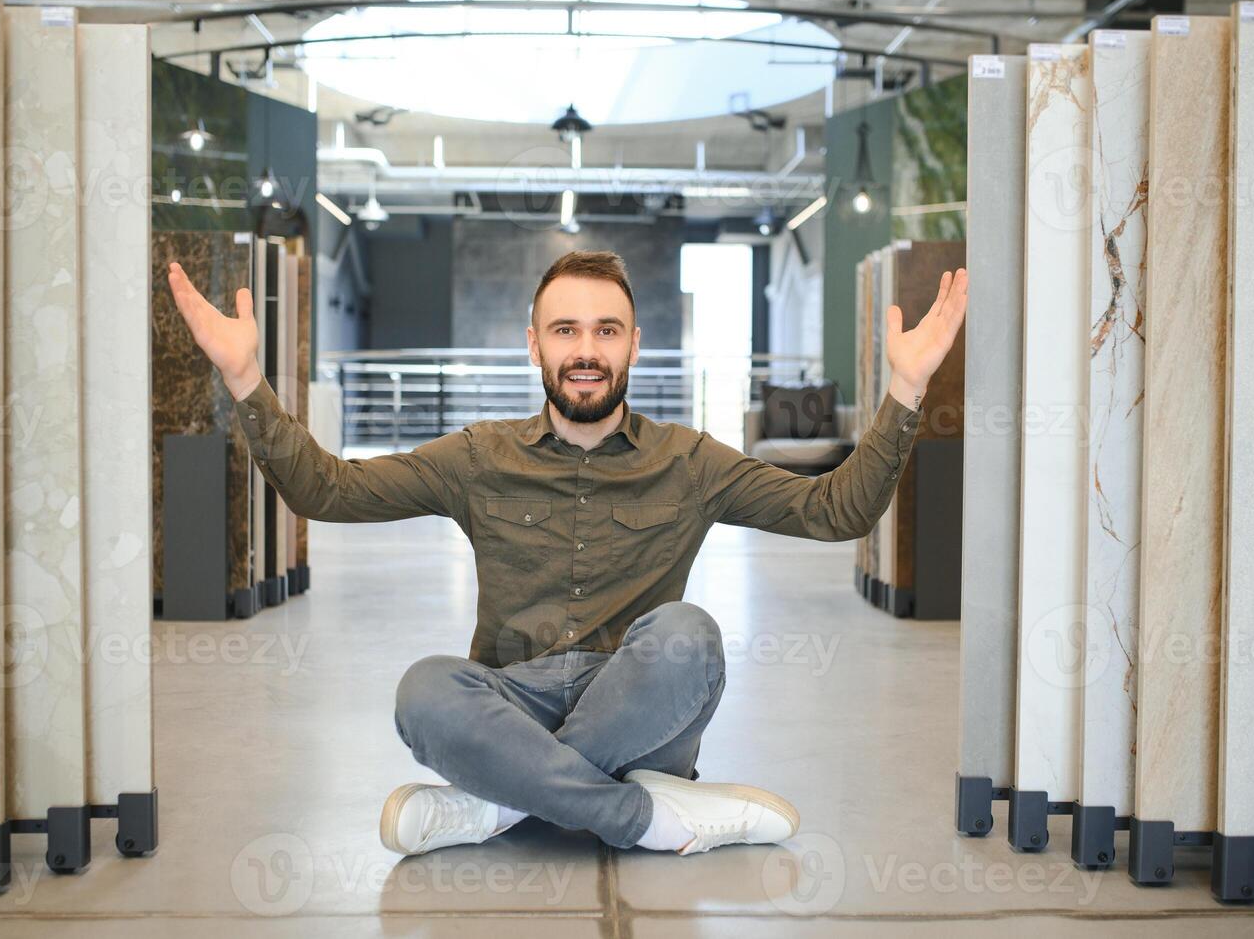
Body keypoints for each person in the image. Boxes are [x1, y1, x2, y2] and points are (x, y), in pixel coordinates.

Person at [166, 248, 967, 858]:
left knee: (687, 634)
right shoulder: (479, 456)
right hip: (514, 698)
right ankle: (641, 816)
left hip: (643, 711)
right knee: (424, 690)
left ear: (633, 345)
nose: (586, 349)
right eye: (566, 330)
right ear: (534, 344)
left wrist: (903, 394)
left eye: (605, 331)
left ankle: (494, 803)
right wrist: (246, 380)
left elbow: (836, 511)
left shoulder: (690, 461)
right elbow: (329, 492)